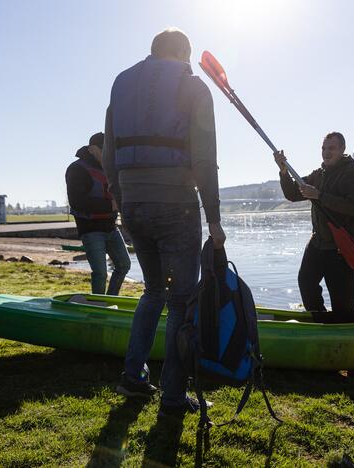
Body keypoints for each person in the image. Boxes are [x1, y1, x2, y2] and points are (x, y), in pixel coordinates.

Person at [102, 27, 226, 418]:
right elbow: (204, 160)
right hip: (176, 204)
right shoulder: (193, 87)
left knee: (153, 290)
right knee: (181, 301)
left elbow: (108, 156)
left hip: (133, 203)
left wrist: (124, 201)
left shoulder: (120, 83)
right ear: (184, 54)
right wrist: (215, 219)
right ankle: (173, 396)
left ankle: (133, 376)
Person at [274, 132, 354, 317]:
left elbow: (352, 207)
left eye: (331, 148)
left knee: (344, 310)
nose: (326, 152)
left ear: (342, 150)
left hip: (342, 248)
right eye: (323, 148)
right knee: (306, 282)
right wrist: (284, 171)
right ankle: (319, 319)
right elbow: (293, 194)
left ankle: (344, 327)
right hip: (318, 243)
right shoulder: (318, 174)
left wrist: (319, 195)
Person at [66, 132, 131, 295]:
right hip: (90, 230)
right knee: (100, 273)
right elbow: (77, 202)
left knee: (124, 265)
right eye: (104, 151)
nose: (109, 155)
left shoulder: (110, 170)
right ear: (91, 149)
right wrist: (111, 205)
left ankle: (111, 299)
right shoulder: (76, 169)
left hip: (111, 227)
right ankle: (98, 307)